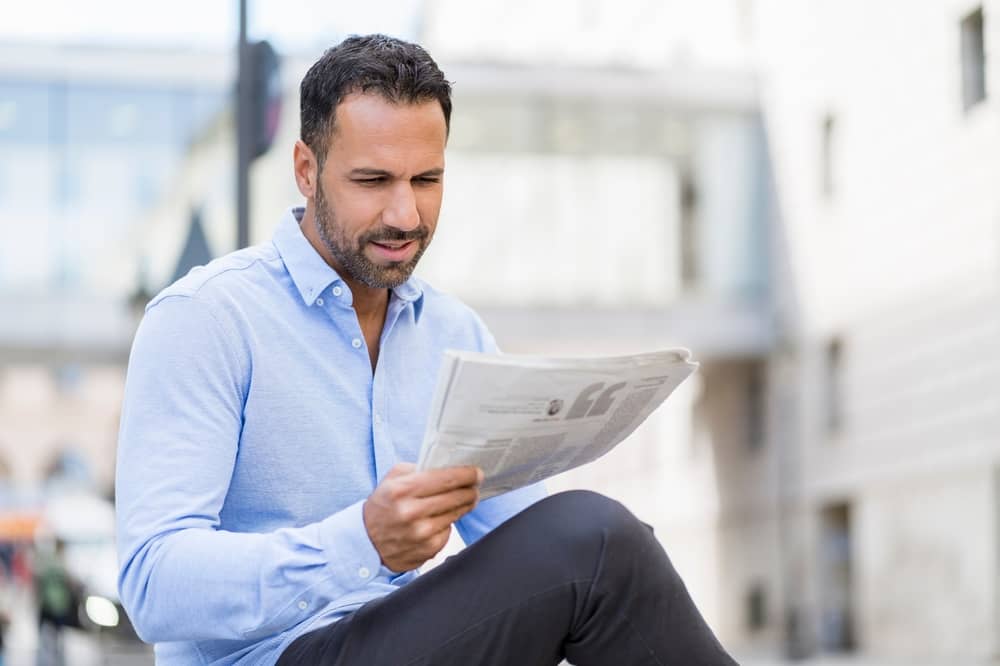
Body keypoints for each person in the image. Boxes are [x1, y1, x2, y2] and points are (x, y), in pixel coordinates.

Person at [115, 34, 738, 665]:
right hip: (273, 657)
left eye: (427, 179)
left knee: (608, 546)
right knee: (597, 540)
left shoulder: (453, 333)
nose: (406, 214)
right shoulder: (207, 319)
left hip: (404, 641)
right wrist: (362, 542)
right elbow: (153, 585)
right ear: (306, 169)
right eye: (373, 180)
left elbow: (541, 553)